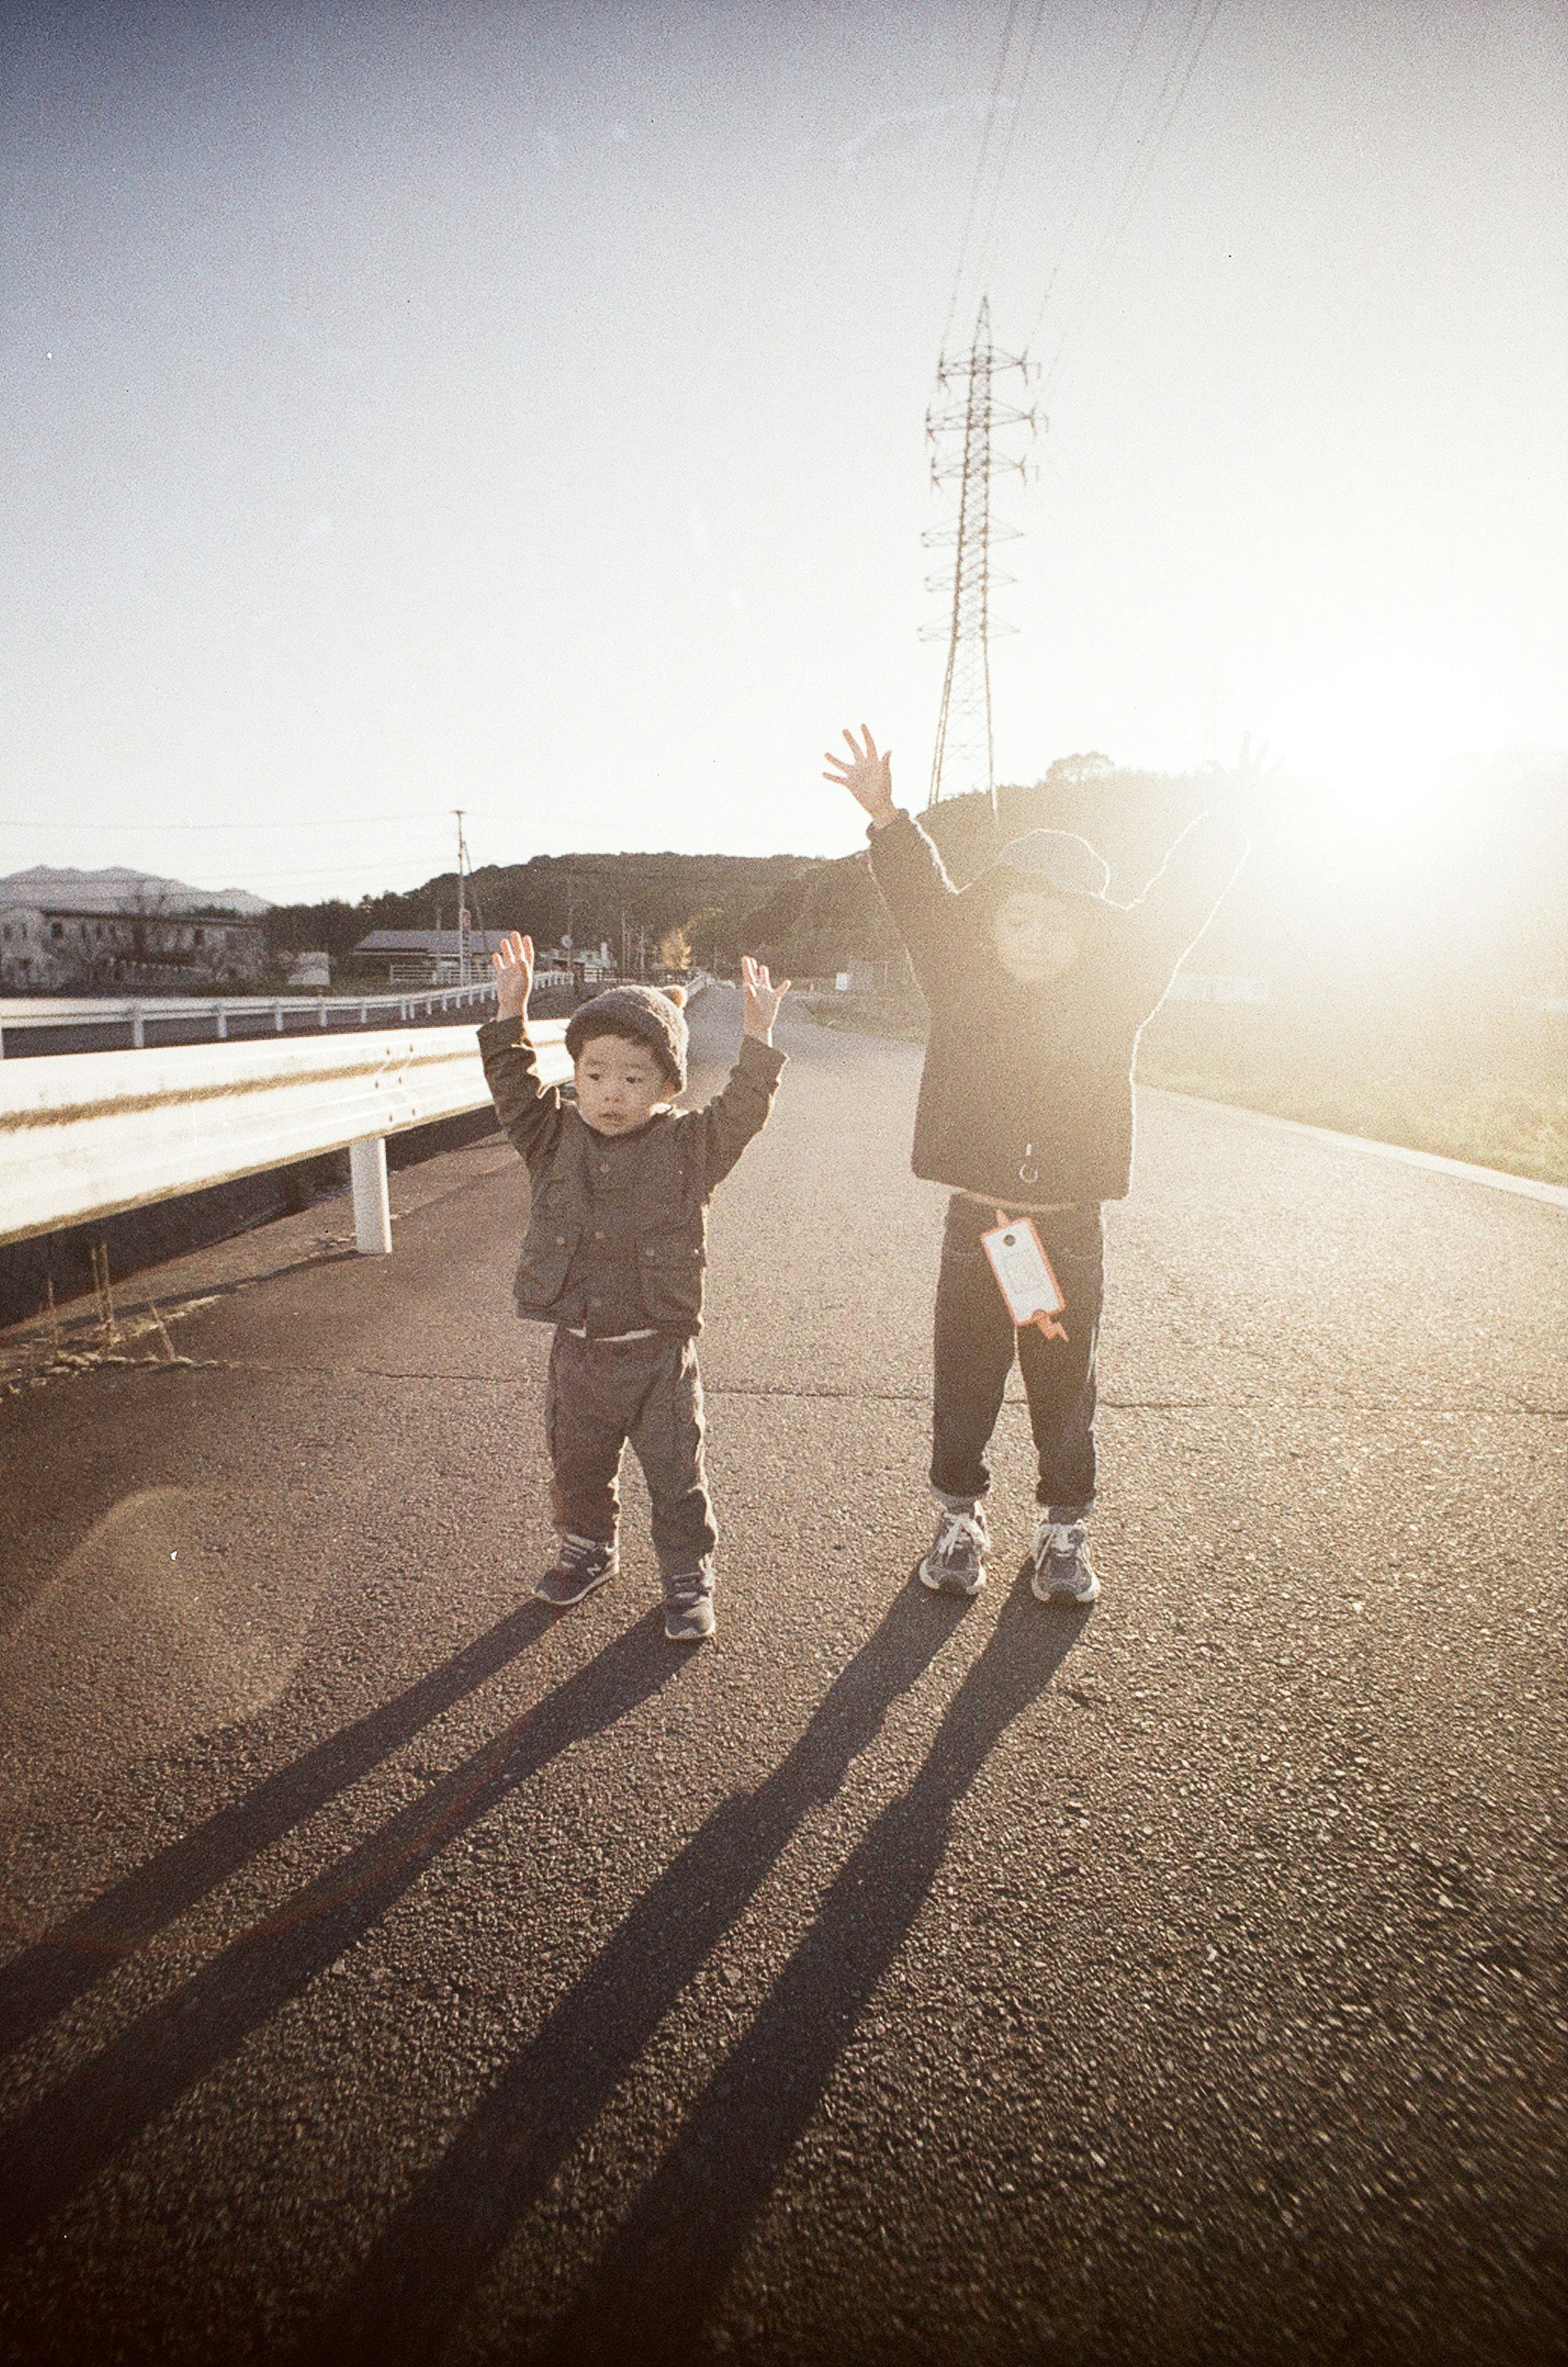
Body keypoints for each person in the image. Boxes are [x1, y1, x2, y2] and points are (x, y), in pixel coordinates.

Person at [824, 724, 1257, 1607]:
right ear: (987, 926)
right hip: (981, 1231)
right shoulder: (961, 978)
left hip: (1061, 1234)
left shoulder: (1114, 995)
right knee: (968, 1379)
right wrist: (886, 817)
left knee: (1063, 1387)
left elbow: (1173, 911)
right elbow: (921, 898)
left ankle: (1064, 1531)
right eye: (1017, 917)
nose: (1033, 936)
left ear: (1093, 935)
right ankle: (958, 1521)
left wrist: (1229, 821)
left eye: (1058, 922)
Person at [479, 938, 789, 1641]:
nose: (611, 1093)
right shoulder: (551, 1138)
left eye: (634, 1079)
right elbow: (513, 1088)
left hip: (659, 1356)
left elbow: (742, 1109)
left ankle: (687, 1576)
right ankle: (588, 1551)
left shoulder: (691, 1148)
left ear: (669, 1087)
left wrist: (760, 1036)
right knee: (577, 1466)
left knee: (676, 1478)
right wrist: (510, 1013)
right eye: (595, 1075)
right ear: (576, 1078)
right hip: (580, 1352)